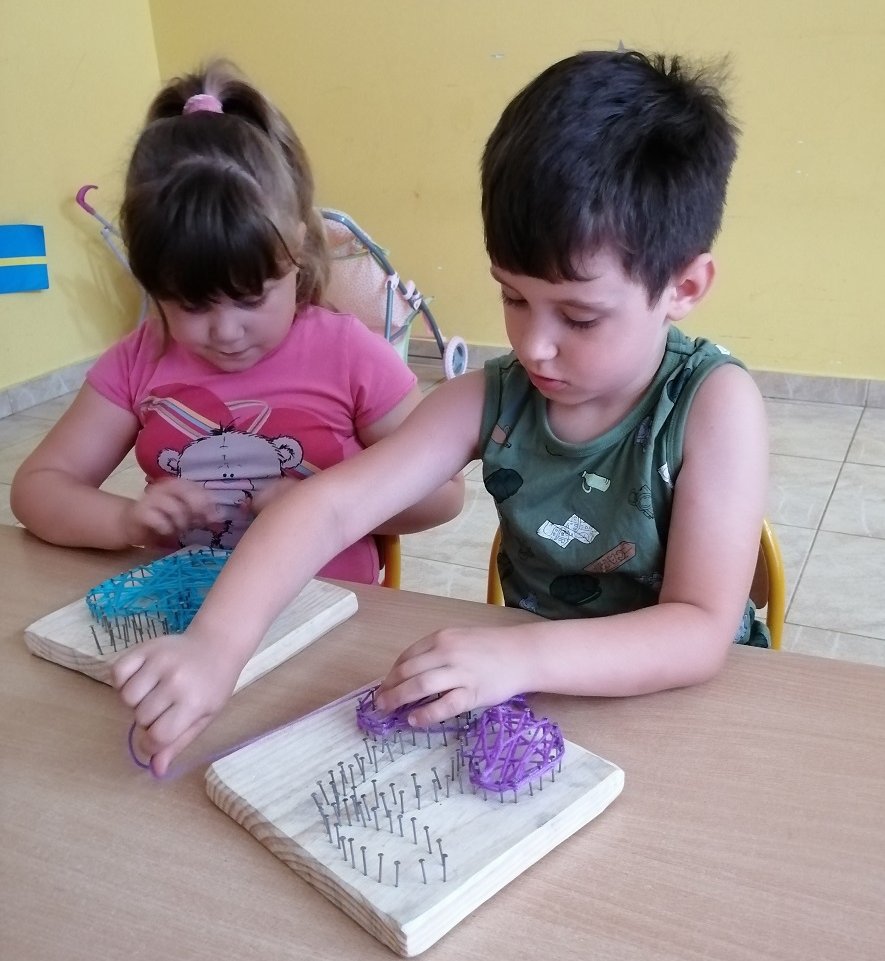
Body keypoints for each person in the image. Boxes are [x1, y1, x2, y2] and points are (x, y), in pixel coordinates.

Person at [114, 49, 770, 777]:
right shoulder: (495, 397)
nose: (534, 346)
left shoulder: (715, 406)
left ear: (684, 287)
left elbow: (700, 630)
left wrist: (521, 654)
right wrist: (215, 646)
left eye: (579, 317)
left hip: (692, 715)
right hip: (546, 703)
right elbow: (328, 508)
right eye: (513, 297)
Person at [11, 60, 464, 581]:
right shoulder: (140, 360)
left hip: (330, 610)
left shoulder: (349, 355)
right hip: (184, 607)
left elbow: (444, 493)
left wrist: (324, 503)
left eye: (251, 298)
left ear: (296, 249)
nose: (225, 333)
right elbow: (39, 487)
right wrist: (125, 520)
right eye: (190, 305)